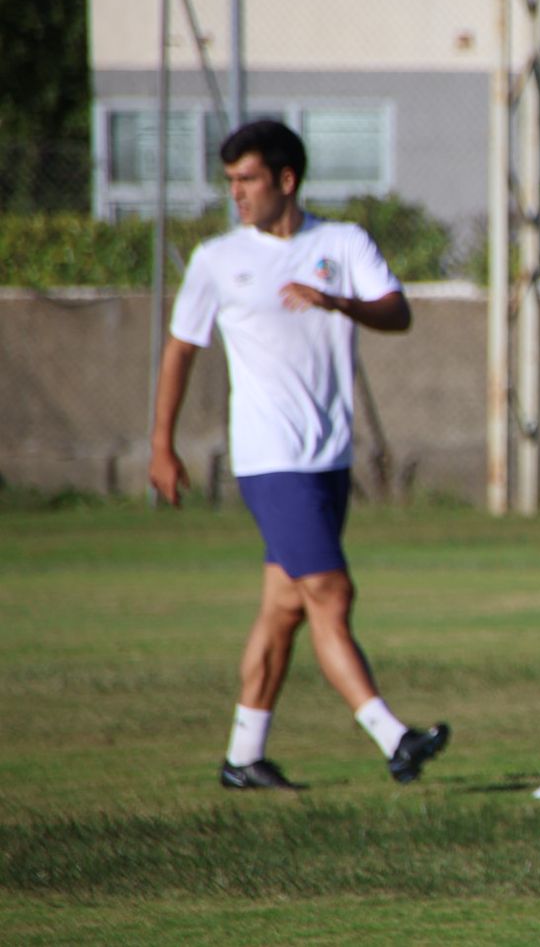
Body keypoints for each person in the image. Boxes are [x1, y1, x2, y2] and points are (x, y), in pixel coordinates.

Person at [148, 119, 449, 790]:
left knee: (284, 607)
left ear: (286, 180)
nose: (237, 195)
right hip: (269, 460)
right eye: (229, 182)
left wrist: (335, 300)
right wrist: (161, 444)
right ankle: (393, 736)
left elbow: (396, 311)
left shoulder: (340, 243)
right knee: (330, 592)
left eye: (247, 179)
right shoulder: (216, 260)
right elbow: (180, 348)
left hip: (328, 458)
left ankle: (243, 756)